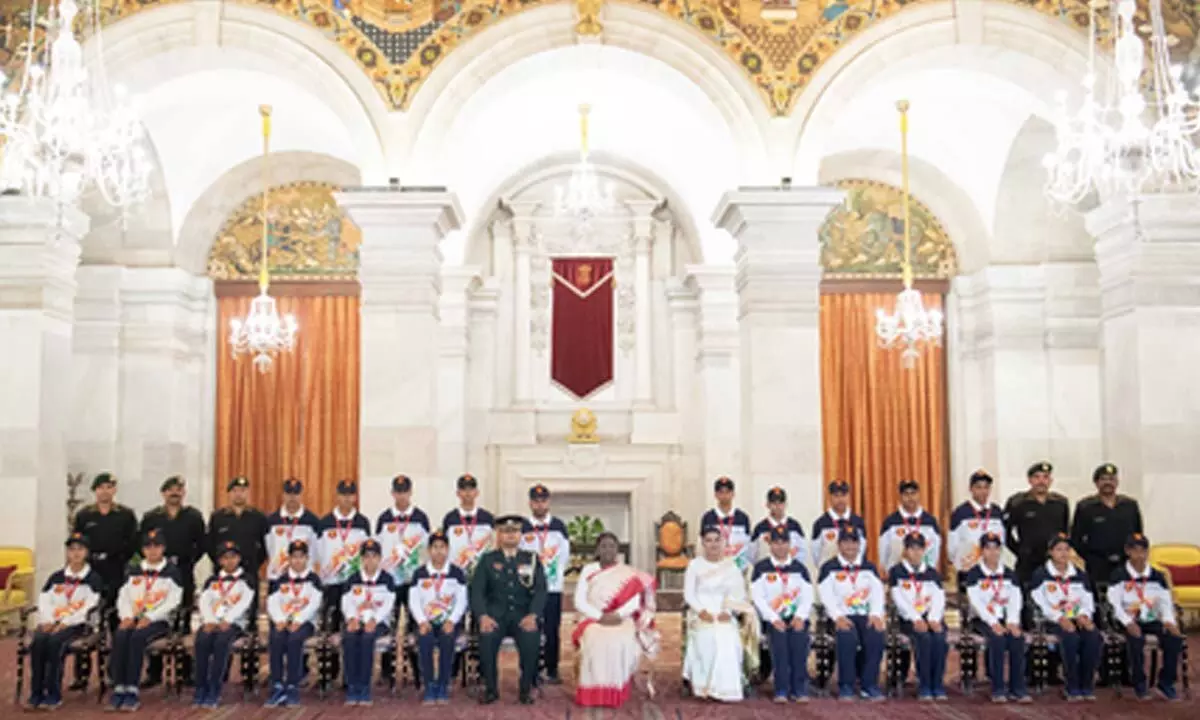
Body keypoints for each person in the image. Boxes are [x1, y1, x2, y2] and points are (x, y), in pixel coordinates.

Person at [572, 532, 659, 709]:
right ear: (597, 549)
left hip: (621, 618)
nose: (607, 550)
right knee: (595, 640)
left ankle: (616, 689)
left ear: (617, 550)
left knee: (620, 641)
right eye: (603, 546)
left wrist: (617, 616)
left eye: (611, 546)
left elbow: (633, 602)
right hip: (593, 618)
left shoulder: (627, 573)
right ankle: (594, 691)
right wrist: (599, 617)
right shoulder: (588, 570)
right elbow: (579, 601)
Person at [470, 514, 546, 705]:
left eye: (515, 531)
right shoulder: (487, 560)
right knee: (486, 639)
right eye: (505, 531)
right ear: (498, 534)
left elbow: (541, 591)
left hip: (523, 616)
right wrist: (483, 617)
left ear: (520, 535)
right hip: (495, 616)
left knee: (531, 639)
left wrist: (533, 615)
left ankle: (526, 689)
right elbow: (477, 592)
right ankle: (491, 689)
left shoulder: (532, 559)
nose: (510, 535)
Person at [139, 476, 206, 688]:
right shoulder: (152, 517)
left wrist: (188, 560)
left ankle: (186, 671)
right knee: (155, 615)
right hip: (157, 575)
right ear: (163, 493)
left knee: (184, 620)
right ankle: (154, 671)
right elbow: (140, 543)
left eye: (178, 489)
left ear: (183, 493)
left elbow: (203, 544)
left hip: (184, 572)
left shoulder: (193, 516)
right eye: (170, 490)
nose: (174, 493)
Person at [24, 532, 103, 710]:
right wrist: (49, 620)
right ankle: (36, 693)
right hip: (52, 622)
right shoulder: (56, 577)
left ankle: (53, 693)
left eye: (80, 549)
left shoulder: (93, 579)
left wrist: (66, 622)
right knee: (39, 642)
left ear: (87, 552)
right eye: (72, 549)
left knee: (54, 643)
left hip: (77, 625)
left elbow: (89, 607)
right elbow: (44, 601)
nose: (76, 554)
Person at [108, 529, 184, 712]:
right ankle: (119, 687)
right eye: (148, 547)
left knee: (136, 638)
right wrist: (126, 616)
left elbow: (173, 600)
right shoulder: (134, 570)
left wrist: (150, 617)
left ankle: (132, 689)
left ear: (163, 548)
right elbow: (123, 596)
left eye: (156, 546)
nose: (152, 551)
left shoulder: (171, 571)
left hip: (158, 621)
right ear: (143, 550)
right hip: (132, 617)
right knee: (120, 635)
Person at [1106, 533, 1183, 701]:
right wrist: (1127, 623)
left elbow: (1164, 602)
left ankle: (1166, 681)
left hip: (1151, 617)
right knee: (1136, 639)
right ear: (1127, 551)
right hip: (1127, 619)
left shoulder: (1157, 576)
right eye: (1135, 550)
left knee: (1173, 638)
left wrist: (1169, 621)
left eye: (1143, 551)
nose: (1139, 555)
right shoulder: (1119, 575)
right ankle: (1139, 682)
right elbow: (1114, 604)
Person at [682, 525, 755, 702]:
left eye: (717, 540)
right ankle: (704, 687)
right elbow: (689, 594)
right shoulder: (694, 566)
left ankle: (727, 688)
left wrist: (728, 612)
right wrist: (701, 611)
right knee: (708, 637)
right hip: (701, 614)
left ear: (723, 542)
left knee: (728, 638)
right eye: (708, 540)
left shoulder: (731, 566)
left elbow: (738, 595)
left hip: (724, 613)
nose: (713, 545)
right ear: (703, 543)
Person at [1030, 533, 1100, 702]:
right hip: (1052, 620)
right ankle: (1072, 685)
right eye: (1059, 549)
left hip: (1076, 616)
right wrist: (1060, 618)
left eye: (1067, 549)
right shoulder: (1041, 574)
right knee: (1070, 638)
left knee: (1093, 637)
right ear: (1050, 552)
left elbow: (1087, 599)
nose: (1063, 553)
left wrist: (1084, 615)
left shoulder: (1079, 574)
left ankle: (1087, 684)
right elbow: (1039, 603)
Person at [817, 528, 885, 701]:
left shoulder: (869, 567)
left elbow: (878, 593)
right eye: (846, 542)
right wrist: (838, 616)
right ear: (839, 545)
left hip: (865, 615)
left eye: (854, 542)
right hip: (841, 616)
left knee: (876, 635)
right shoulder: (829, 568)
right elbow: (826, 596)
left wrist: (876, 614)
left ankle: (869, 684)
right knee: (847, 637)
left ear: (859, 544)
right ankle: (846, 685)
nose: (850, 546)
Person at [750, 525, 813, 703]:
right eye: (776, 543)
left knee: (799, 639)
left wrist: (800, 616)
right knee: (779, 641)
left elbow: (807, 596)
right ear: (770, 545)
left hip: (796, 618)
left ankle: (799, 689)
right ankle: (782, 689)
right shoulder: (761, 568)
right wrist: (773, 618)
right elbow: (758, 598)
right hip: (772, 619)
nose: (780, 547)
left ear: (789, 544)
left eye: (784, 542)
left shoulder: (800, 569)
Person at [964, 532, 1029, 703]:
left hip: (1005, 618)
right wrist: (992, 622)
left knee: (1017, 638)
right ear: (982, 551)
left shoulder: (1009, 574)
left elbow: (1016, 599)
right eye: (988, 549)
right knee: (997, 639)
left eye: (996, 549)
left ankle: (1017, 687)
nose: (992, 553)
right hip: (982, 619)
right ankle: (998, 687)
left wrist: (1013, 621)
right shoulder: (974, 574)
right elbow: (976, 602)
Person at [192, 541, 254, 708]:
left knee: (221, 642)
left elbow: (244, 603)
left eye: (233, 557)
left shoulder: (246, 580)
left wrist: (229, 619)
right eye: (225, 558)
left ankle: (215, 688)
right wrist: (210, 620)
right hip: (212, 622)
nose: (230, 561)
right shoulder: (212, 580)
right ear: (219, 561)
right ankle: (200, 686)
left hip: (234, 623)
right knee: (201, 640)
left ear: (239, 558)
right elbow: (205, 601)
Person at [409, 530, 468, 705]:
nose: (439, 551)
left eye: (442, 547)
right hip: (425, 622)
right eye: (435, 547)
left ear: (448, 549)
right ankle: (429, 685)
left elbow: (462, 601)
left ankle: (443, 684)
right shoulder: (419, 573)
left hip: (448, 622)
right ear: (429, 550)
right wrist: (421, 621)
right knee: (425, 640)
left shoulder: (457, 573)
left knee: (447, 639)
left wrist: (452, 620)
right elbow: (414, 601)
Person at [519, 483, 571, 684]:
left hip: (553, 587)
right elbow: (521, 557)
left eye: (543, 501)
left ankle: (552, 668)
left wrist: (554, 573)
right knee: (531, 629)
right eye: (535, 501)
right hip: (530, 589)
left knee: (551, 629)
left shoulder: (559, 526)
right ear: (530, 503)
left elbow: (565, 555)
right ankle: (531, 668)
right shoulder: (523, 527)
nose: (539, 505)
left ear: (548, 502)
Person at [888, 533, 948, 701]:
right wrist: (915, 618)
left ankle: (937, 683)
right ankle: (925, 684)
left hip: (931, 617)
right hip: (908, 619)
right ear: (905, 551)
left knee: (939, 638)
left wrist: (934, 618)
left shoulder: (932, 573)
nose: (916, 552)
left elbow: (939, 597)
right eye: (912, 548)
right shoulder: (897, 572)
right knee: (923, 638)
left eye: (919, 548)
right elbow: (898, 598)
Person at [264, 540, 322, 708]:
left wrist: (298, 620)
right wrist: (279, 619)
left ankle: (292, 686)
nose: (297, 561)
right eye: (294, 557)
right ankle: (276, 684)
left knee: (295, 640)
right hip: (283, 620)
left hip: (305, 622)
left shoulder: (313, 579)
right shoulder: (280, 579)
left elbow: (314, 604)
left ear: (307, 558)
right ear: (288, 559)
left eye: (301, 557)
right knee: (275, 637)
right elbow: (272, 602)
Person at [340, 538, 396, 706]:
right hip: (356, 620)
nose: (370, 560)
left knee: (367, 638)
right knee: (349, 637)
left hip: (378, 622)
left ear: (379, 559)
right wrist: (351, 618)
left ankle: (364, 687)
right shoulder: (352, 579)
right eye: (366, 556)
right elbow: (346, 602)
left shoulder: (387, 579)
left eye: (374, 556)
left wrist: (374, 619)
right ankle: (352, 685)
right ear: (361, 559)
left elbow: (388, 604)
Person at [73, 473, 138, 614]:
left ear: (114, 490)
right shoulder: (84, 515)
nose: (105, 491)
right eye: (101, 487)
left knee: (116, 605)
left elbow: (133, 541)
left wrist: (122, 559)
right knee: (89, 603)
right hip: (91, 565)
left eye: (109, 487)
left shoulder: (125, 515)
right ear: (95, 490)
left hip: (116, 566)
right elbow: (76, 541)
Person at [1071, 464, 1143, 590]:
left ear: (1117, 482)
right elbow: (1076, 538)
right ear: (1096, 483)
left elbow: (1138, 534)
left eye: (1112, 479)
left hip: (1125, 562)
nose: (1108, 483)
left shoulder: (1130, 505)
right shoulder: (1085, 507)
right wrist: (1089, 557)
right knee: (1099, 602)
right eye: (1103, 479)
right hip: (1097, 564)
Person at [1003, 461, 1070, 590]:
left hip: (1054, 562)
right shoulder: (1018, 502)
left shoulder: (1060, 503)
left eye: (1045, 477)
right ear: (1029, 480)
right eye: (1037, 477)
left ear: (1050, 480)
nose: (1041, 481)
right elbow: (1006, 532)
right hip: (1028, 562)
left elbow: (1065, 531)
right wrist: (1020, 550)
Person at [375, 474, 431, 627]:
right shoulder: (384, 518)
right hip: (391, 578)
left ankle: (413, 651)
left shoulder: (421, 518)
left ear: (410, 492)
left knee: (415, 620)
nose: (401, 496)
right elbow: (378, 548)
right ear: (392, 493)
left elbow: (427, 549)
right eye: (398, 492)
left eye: (405, 492)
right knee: (389, 621)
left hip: (413, 578)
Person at [316, 479, 371, 631]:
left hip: (355, 583)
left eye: (351, 495)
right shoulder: (325, 523)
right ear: (337, 496)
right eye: (343, 494)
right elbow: (318, 552)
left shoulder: (362, 522)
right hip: (331, 582)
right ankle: (331, 655)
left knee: (354, 623)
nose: (347, 499)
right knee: (330, 625)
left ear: (355, 497)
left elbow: (367, 554)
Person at [948, 470, 1005, 587]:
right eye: (978, 487)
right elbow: (952, 546)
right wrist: (961, 564)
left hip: (992, 569)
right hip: (968, 569)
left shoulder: (997, 512)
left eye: (986, 487)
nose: (983, 491)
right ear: (971, 489)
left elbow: (1003, 540)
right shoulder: (960, 512)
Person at [208, 476, 269, 580]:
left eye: (242, 490)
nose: (238, 494)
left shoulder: (258, 517)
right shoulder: (218, 517)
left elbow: (265, 546)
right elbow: (209, 545)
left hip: (249, 572)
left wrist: (254, 563)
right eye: (235, 491)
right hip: (224, 573)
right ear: (229, 494)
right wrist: (224, 562)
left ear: (248, 493)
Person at [878, 479, 942, 570]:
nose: (910, 497)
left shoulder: (930, 522)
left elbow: (935, 550)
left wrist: (928, 570)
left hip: (924, 575)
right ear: (900, 497)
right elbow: (883, 553)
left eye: (913, 493)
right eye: (906, 494)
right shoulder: (890, 522)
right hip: (898, 575)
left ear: (919, 495)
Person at [265, 477, 320, 581]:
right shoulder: (271, 521)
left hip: (305, 578)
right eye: (288, 493)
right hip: (277, 578)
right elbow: (268, 549)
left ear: (301, 495)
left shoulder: (313, 521)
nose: (292, 497)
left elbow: (316, 552)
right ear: (283, 495)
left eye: (296, 493)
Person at [443, 474, 495, 575]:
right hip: (457, 572)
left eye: (471, 489)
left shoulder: (487, 518)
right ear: (458, 493)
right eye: (463, 489)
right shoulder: (450, 518)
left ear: (477, 493)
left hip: (483, 572)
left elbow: (493, 544)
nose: (467, 493)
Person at [699, 476, 754, 570]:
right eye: (721, 492)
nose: (724, 495)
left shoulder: (742, 518)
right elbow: (702, 545)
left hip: (737, 569)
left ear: (733, 494)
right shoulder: (708, 518)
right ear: (715, 495)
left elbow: (748, 545)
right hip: (714, 569)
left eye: (727, 492)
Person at [811, 480, 867, 567]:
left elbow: (862, 550)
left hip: (853, 572)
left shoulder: (858, 522)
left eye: (843, 495)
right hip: (829, 573)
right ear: (829, 497)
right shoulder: (820, 524)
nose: (840, 499)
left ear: (848, 496)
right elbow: (816, 555)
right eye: (836, 496)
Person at [750, 486, 807, 566]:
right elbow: (752, 555)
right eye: (774, 503)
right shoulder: (760, 528)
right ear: (767, 505)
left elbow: (802, 553)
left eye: (780, 503)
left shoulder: (795, 526)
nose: (777, 506)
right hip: (766, 573)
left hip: (790, 572)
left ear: (785, 504)